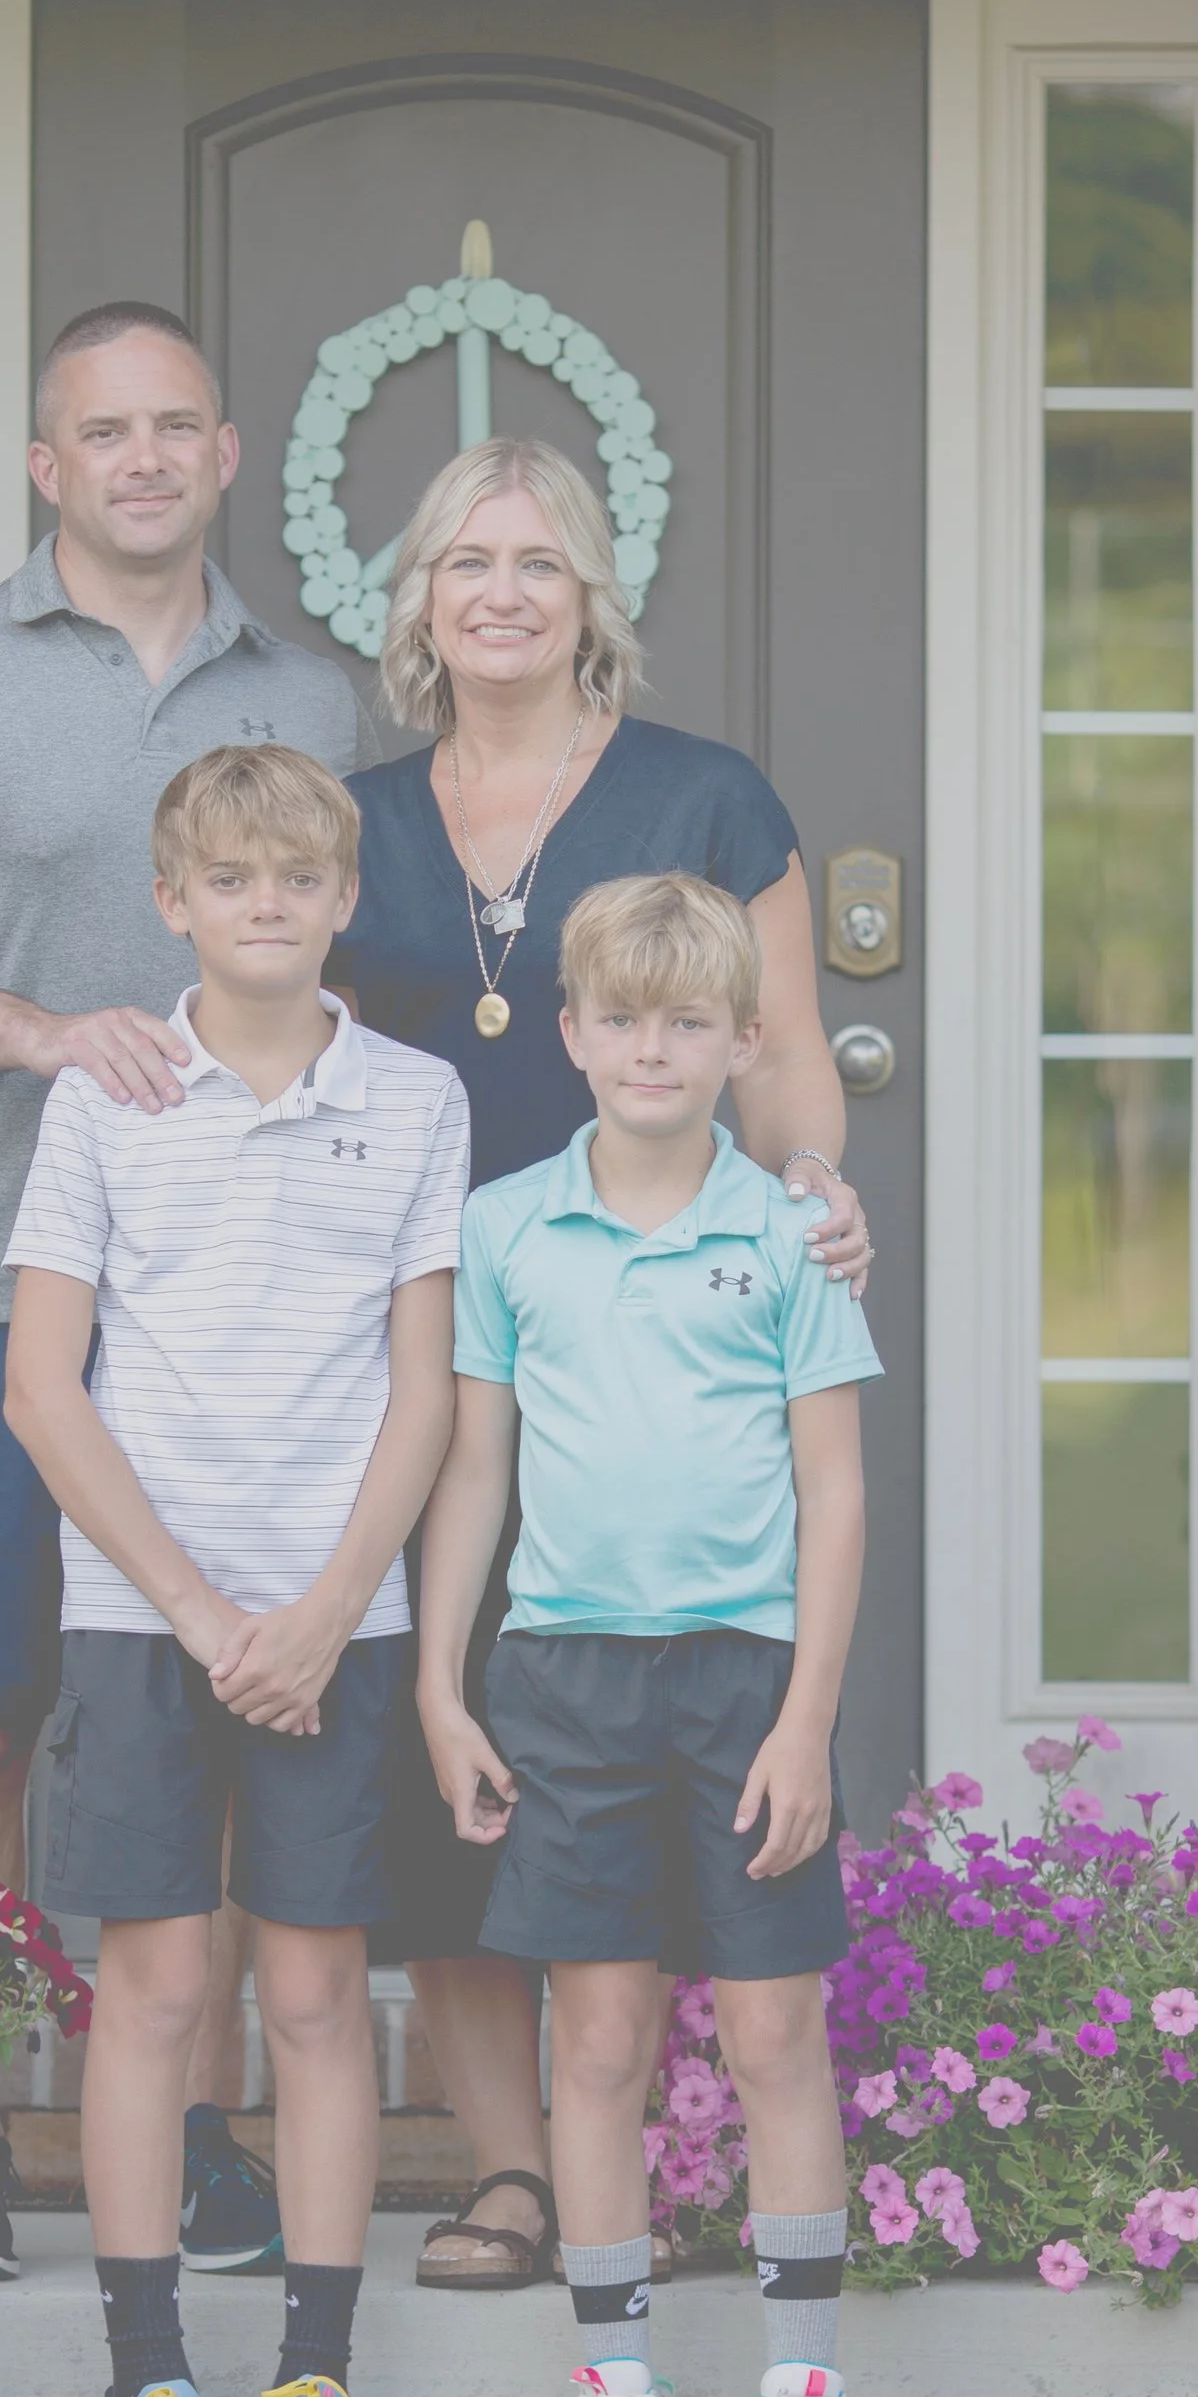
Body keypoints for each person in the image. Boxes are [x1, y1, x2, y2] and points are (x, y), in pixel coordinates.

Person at [0, 302, 362, 2284]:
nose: (138, 458)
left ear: (226, 455)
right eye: (98, 431)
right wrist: (48, 1036)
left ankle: (193, 2133)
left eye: (172, 427)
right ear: (47, 466)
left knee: (210, 1711)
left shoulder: (316, 691)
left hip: (259, 1313)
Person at [331, 437, 872, 2290]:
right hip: (426, 1333)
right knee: (458, 1762)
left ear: (591, 598)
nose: (500, 591)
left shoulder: (704, 795)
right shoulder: (360, 815)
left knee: (631, 1747)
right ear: (417, 598)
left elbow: (788, 1044)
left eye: (538, 562)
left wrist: (810, 1193)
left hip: (655, 1320)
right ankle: (517, 2176)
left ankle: (662, 2198)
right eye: (465, 559)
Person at [3, 745, 467, 2397]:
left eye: (301, 878)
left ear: (347, 899)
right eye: (232, 878)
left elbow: (426, 1387)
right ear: (171, 898)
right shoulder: (111, 1093)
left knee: (317, 1994)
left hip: (335, 1619)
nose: (268, 904)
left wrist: (337, 1601)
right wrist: (201, 1613)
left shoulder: (416, 1099)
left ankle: (316, 2386)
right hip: (146, 1617)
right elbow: (47, 1386)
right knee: (160, 1987)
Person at [418, 870, 884, 2397]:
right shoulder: (509, 1227)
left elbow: (833, 1493)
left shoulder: (789, 1233)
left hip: (746, 1678)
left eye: (691, 1021)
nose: (654, 1047)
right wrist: (439, 1685)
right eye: (621, 1018)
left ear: (744, 1039)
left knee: (772, 2031)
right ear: (572, 1033)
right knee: (599, 2040)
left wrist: (808, 1720)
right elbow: (475, 1470)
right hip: (563, 1677)